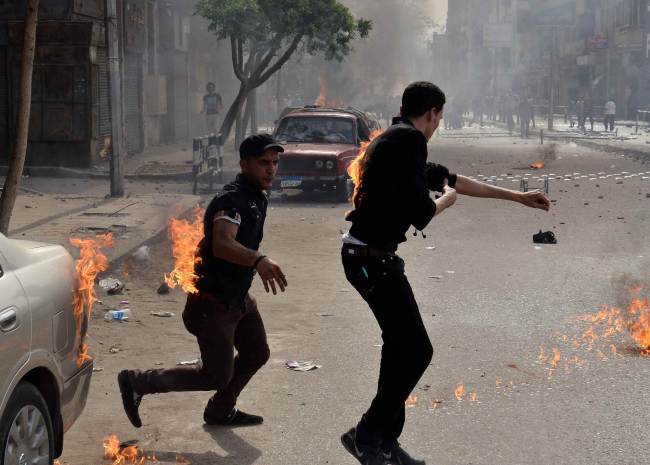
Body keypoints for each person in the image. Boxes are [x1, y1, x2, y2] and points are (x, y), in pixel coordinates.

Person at [340, 81, 550, 465]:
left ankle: (384, 442)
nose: (437, 125)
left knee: (399, 349)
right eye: (439, 118)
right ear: (433, 112)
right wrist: (446, 203)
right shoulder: (409, 142)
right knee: (417, 350)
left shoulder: (397, 140)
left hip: (369, 256)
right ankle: (366, 433)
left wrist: (517, 197)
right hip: (371, 259)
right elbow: (423, 212)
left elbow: (453, 180)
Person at [117, 134, 288, 428]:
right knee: (216, 375)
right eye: (263, 163)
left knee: (257, 352)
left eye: (274, 163)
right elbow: (222, 243)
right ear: (244, 164)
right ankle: (138, 382)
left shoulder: (257, 196)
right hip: (212, 305)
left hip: (237, 299)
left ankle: (221, 410)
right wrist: (259, 260)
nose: (270, 169)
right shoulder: (232, 200)